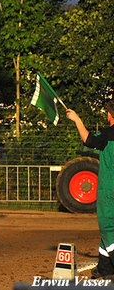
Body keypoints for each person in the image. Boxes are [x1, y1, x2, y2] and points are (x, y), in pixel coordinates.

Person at [67, 101, 114, 279]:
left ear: (110, 115)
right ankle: (105, 269)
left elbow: (88, 140)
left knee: (108, 227)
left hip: (109, 188)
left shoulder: (107, 134)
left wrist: (76, 119)